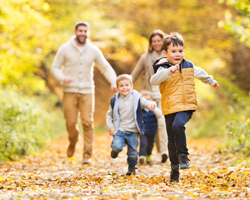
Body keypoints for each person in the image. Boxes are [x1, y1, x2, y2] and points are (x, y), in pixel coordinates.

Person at [150, 32, 219, 183]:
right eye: (173, 51)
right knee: (171, 140)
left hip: (187, 105)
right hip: (170, 107)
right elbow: (153, 80)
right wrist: (168, 71)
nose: (177, 54)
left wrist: (211, 81)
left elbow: (201, 73)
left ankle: (184, 157)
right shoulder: (163, 67)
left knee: (178, 125)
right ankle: (174, 169)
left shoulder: (189, 65)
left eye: (180, 51)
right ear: (165, 53)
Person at [51, 21, 117, 164]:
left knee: (87, 122)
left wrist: (113, 81)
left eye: (85, 31)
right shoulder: (65, 49)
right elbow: (55, 67)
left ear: (88, 33)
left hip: (87, 91)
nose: (83, 33)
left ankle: (87, 155)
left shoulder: (93, 50)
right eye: (80, 31)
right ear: (75, 32)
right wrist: (63, 78)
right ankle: (73, 141)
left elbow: (105, 67)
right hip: (69, 91)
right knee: (71, 122)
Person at [106, 74, 156, 175]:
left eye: (127, 85)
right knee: (116, 146)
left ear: (131, 86)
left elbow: (145, 102)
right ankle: (115, 151)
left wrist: (151, 104)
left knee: (133, 153)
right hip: (120, 130)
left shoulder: (137, 98)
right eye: (121, 86)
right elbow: (109, 115)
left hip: (133, 131)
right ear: (117, 88)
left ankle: (132, 168)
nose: (125, 88)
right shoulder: (115, 101)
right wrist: (111, 127)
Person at [131, 30, 168, 163]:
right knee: (150, 124)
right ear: (151, 43)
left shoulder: (169, 56)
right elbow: (134, 74)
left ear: (163, 41)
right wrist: (124, 86)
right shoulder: (145, 57)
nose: (157, 43)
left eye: (159, 40)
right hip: (148, 95)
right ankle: (150, 152)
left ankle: (164, 151)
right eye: (154, 41)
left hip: (164, 94)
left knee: (162, 122)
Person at [138, 90, 163, 165]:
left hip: (152, 131)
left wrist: (153, 108)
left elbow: (160, 115)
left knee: (150, 144)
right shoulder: (139, 110)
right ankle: (141, 156)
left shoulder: (154, 110)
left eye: (148, 100)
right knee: (143, 143)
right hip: (142, 131)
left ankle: (148, 155)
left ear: (152, 101)